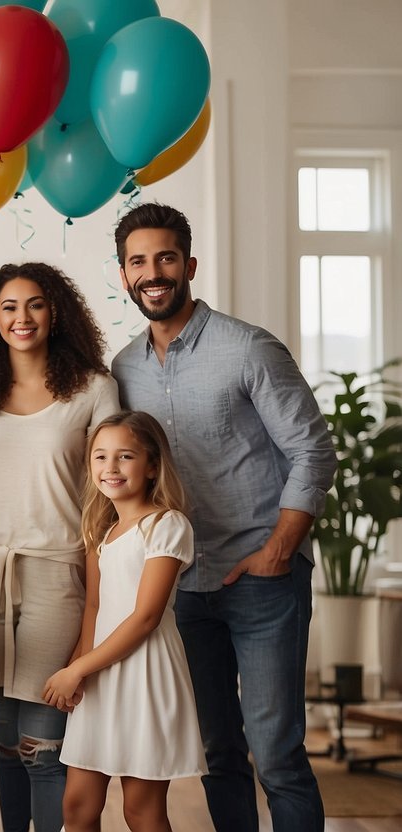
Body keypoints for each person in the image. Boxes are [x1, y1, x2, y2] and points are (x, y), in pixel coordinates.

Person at [111, 202, 336, 831]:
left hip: (262, 581)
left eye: (164, 257)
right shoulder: (124, 369)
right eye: (137, 261)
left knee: (277, 754)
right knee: (217, 754)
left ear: (189, 264)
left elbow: (313, 450)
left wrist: (279, 549)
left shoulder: (249, 348)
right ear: (123, 275)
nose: (152, 272)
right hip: (182, 587)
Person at [0, 262, 119, 832]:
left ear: (56, 312)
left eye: (34, 305)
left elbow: (106, 502)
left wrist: (95, 598)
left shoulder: (95, 389)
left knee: (43, 749)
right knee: (4, 744)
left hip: (57, 572)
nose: (21, 318)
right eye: (8, 307)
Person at [43, 411, 205, 831]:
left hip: (145, 674)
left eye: (125, 456)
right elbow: (94, 608)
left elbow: (146, 616)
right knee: (77, 808)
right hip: (99, 674)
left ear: (152, 466)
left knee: (141, 810)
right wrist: (80, 669)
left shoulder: (167, 525)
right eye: (100, 457)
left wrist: (77, 667)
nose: (110, 468)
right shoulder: (101, 532)